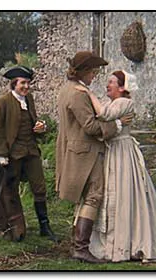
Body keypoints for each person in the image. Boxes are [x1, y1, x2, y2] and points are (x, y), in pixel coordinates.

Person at [86, 70, 156, 262]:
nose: (107, 85)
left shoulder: (124, 102)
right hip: (113, 149)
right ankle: (116, 242)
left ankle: (130, 243)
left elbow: (103, 114)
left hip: (122, 152)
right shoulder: (114, 102)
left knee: (124, 193)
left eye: (112, 82)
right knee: (113, 193)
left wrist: (88, 93)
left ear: (122, 87)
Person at [54, 50, 119, 264]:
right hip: (85, 153)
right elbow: (90, 126)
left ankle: (77, 244)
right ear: (81, 71)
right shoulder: (78, 94)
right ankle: (80, 248)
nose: (94, 76)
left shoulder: (68, 89)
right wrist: (115, 126)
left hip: (77, 149)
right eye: (92, 72)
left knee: (85, 198)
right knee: (93, 196)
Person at [0, 65, 55, 239]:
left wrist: (40, 127)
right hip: (13, 153)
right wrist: (1, 154)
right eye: (22, 83)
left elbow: (32, 122)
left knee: (39, 187)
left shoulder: (29, 99)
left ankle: (44, 226)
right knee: (11, 188)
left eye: (28, 83)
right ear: (14, 84)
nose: (26, 87)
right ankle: (15, 225)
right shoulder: (3, 102)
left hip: (31, 150)